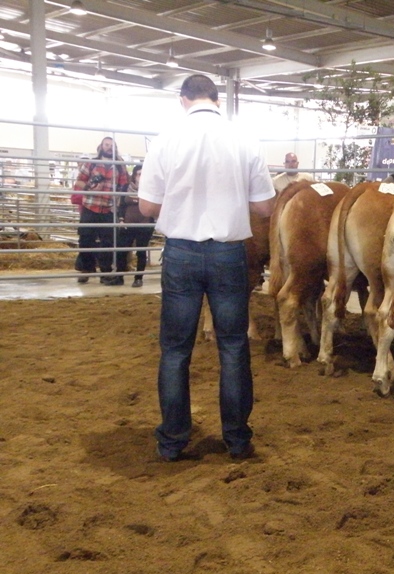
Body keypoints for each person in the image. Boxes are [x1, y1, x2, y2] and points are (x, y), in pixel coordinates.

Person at [138, 74, 275, 462]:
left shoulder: (165, 140)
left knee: (175, 350)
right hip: (228, 252)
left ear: (183, 100)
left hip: (181, 252)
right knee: (233, 346)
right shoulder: (244, 139)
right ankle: (237, 439)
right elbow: (265, 206)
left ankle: (172, 441)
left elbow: (147, 207)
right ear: (216, 100)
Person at [73, 137, 129, 284]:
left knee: (107, 242)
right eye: (106, 144)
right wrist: (88, 187)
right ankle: (86, 269)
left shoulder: (119, 166)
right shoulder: (91, 163)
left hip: (108, 209)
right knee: (85, 239)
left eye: (112, 145)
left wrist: (118, 201)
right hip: (90, 206)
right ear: (101, 146)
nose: (109, 147)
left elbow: (124, 185)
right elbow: (79, 181)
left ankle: (105, 271)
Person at [115, 165, 154, 288]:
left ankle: (138, 278)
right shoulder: (126, 188)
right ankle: (119, 277)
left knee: (141, 252)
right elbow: (121, 205)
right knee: (122, 251)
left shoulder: (150, 189)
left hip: (145, 225)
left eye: (143, 174)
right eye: (139, 174)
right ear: (134, 175)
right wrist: (121, 220)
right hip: (128, 224)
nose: (141, 177)